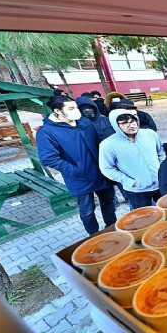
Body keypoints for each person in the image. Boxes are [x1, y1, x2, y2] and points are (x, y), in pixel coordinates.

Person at [36, 95, 117, 235]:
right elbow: (48, 158)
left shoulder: (84, 122)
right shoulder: (47, 131)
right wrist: (76, 170)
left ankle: (112, 227)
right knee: (87, 209)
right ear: (58, 111)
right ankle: (94, 235)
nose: (76, 111)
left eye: (76, 107)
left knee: (108, 202)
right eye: (71, 108)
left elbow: (98, 141)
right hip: (79, 177)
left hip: (100, 172)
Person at [99, 110, 165, 209]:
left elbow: (161, 152)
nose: (131, 125)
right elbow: (107, 168)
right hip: (137, 190)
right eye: (125, 123)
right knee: (145, 217)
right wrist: (130, 182)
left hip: (160, 183)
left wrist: (162, 171)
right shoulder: (108, 144)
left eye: (133, 121)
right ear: (116, 125)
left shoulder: (150, 134)